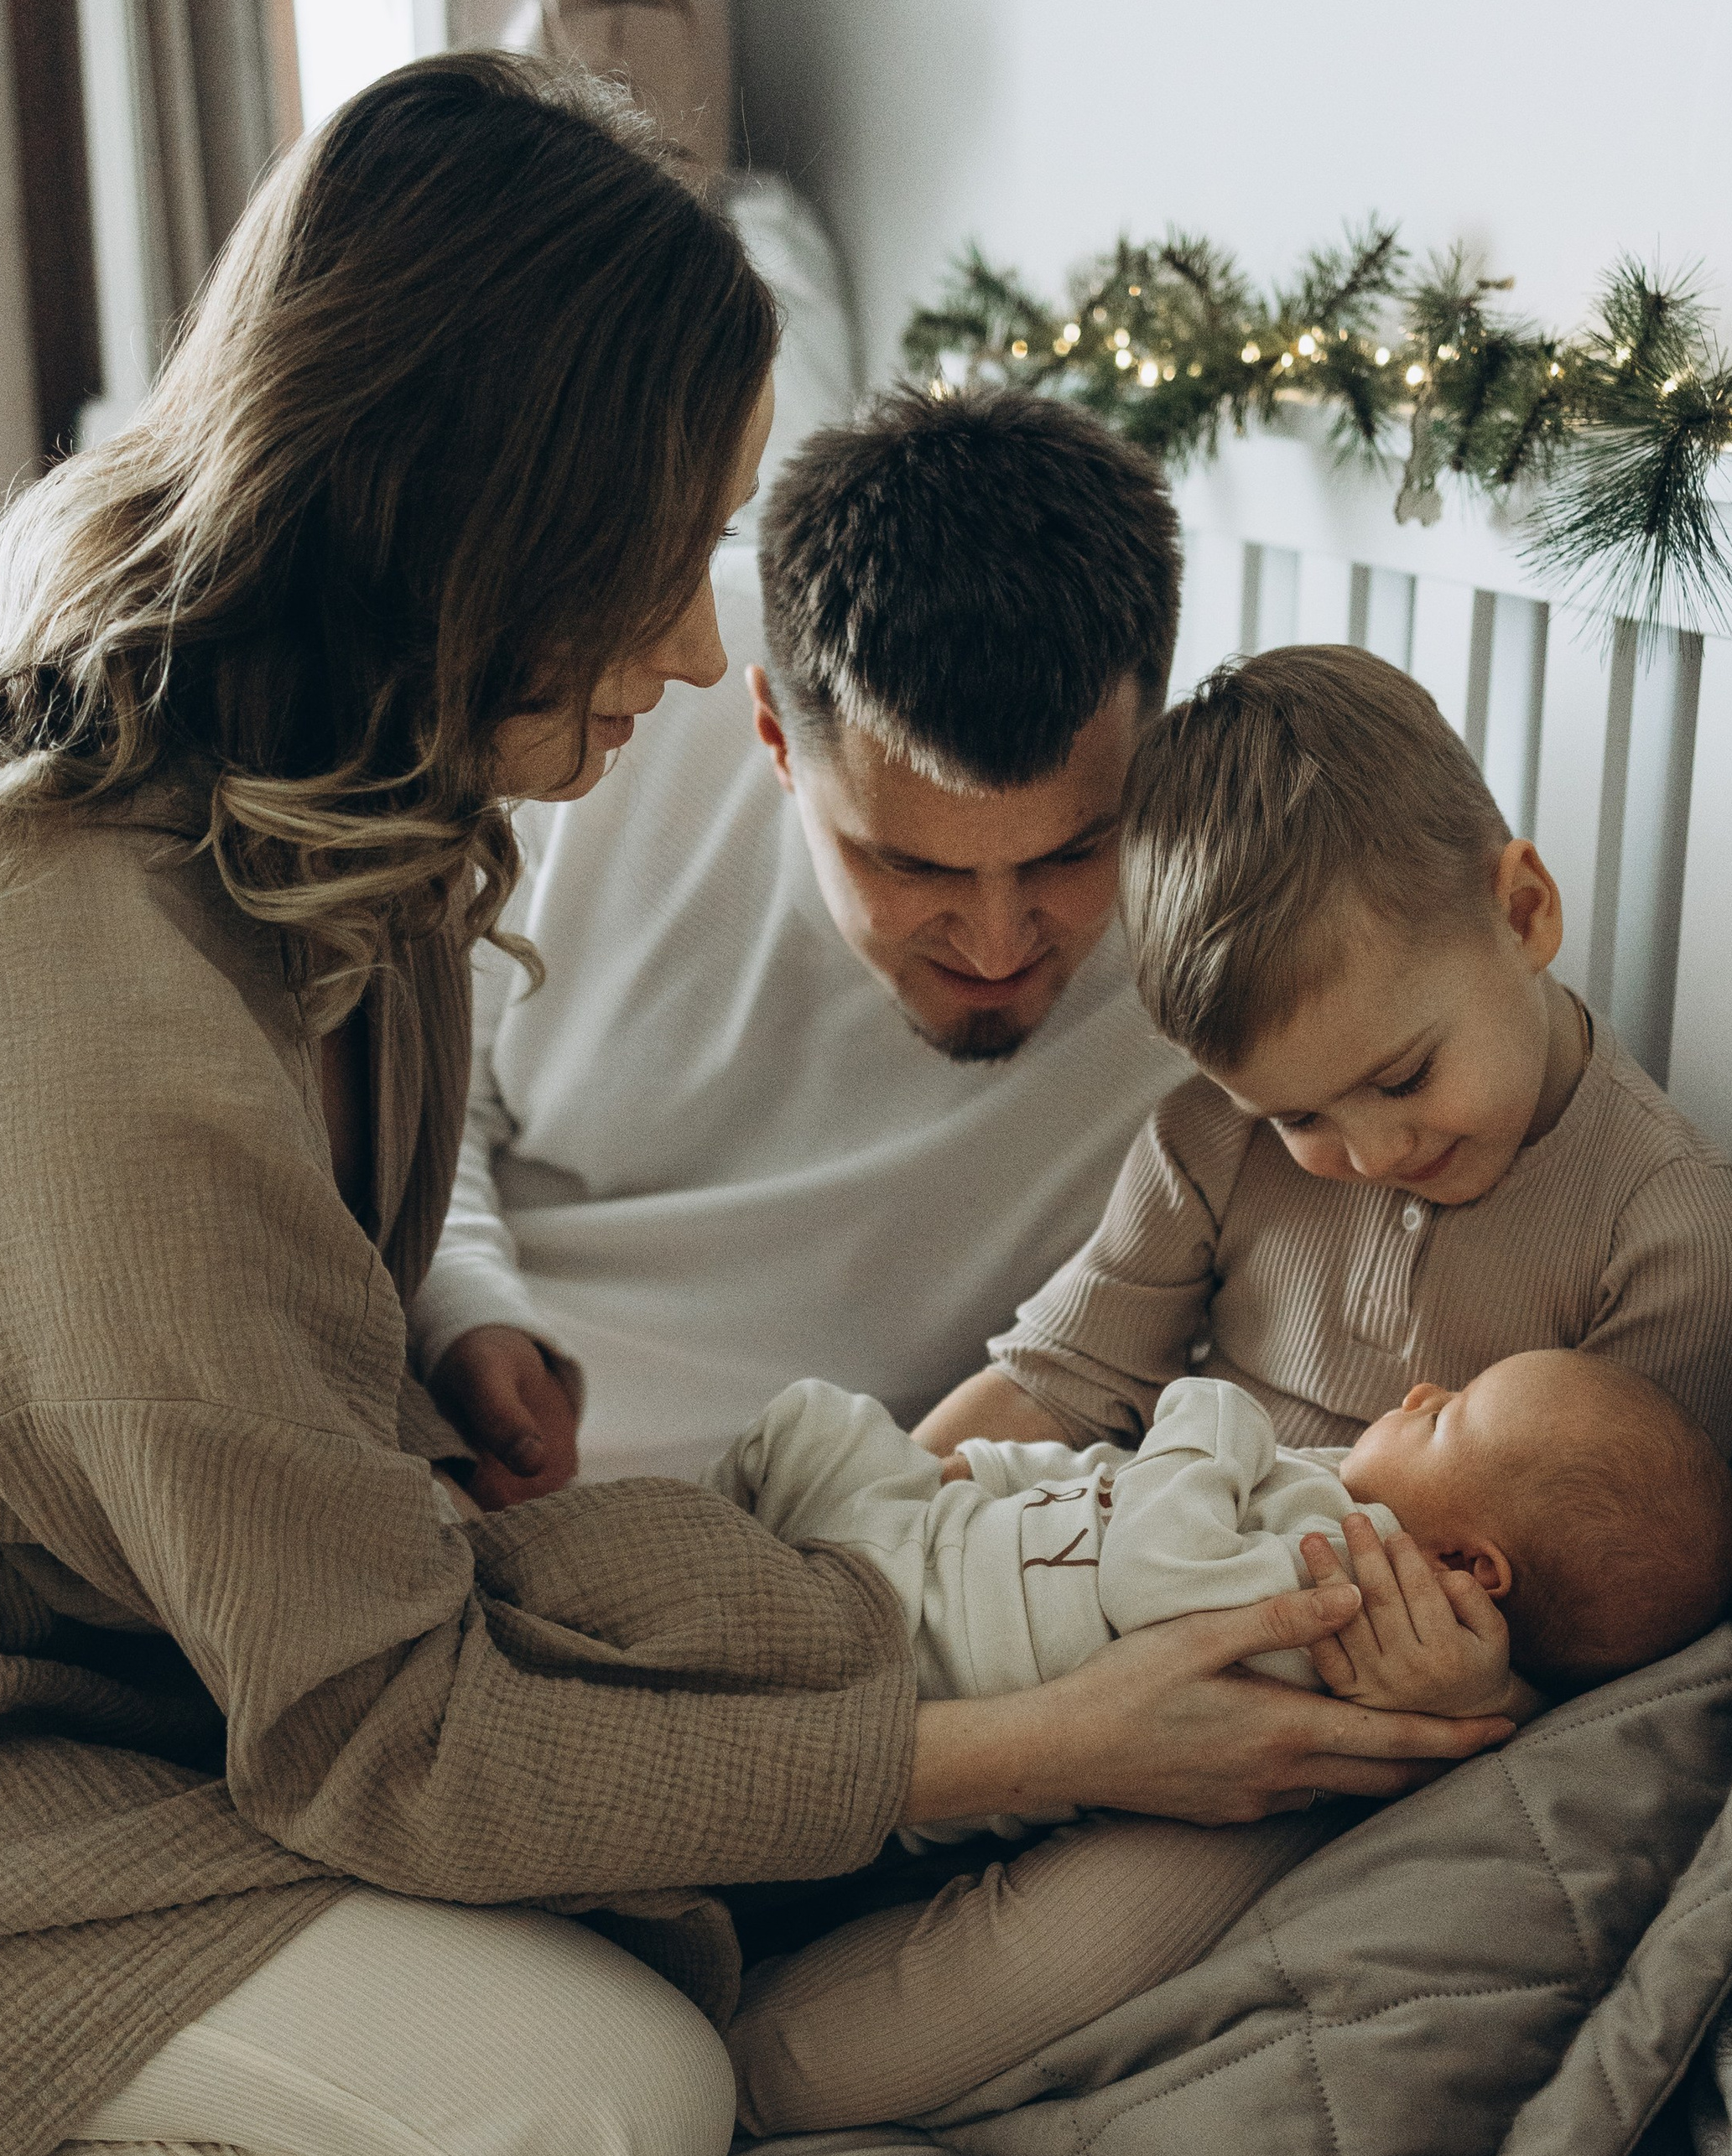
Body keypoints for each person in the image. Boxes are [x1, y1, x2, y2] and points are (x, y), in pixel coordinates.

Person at [0, 58, 1503, 2156]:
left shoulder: (299, 806)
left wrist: (438, 1318)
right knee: (605, 2130)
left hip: (43, 1647)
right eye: (667, 566)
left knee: (698, 1726)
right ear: (472, 539)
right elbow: (397, 1742)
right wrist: (1067, 1744)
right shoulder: (74, 1007)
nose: (693, 652)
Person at [416, 387, 1193, 1503]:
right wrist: (464, 1316)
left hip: (803, 1536)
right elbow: (422, 1103)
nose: (993, 939)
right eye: (911, 867)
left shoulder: (1227, 932)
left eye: (1069, 858)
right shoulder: (597, 721)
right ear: (775, 735)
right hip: (444, 1402)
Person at [720, 1352, 1732, 2136]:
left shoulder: (1327, 1592)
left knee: (803, 1424)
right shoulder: (1331, 1504)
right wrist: (985, 1467)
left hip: (892, 1618)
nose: (1424, 1387)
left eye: (1452, 1415)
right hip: (933, 1552)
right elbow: (1100, 1485)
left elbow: (1149, 1572)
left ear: (1468, 1565)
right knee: (814, 1433)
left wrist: (1213, 1409)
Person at [921, 646, 1732, 1467]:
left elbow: (1609, 1569)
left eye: (1403, 1077)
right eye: (1297, 1117)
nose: (1374, 1153)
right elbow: (1059, 1381)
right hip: (1166, 1545)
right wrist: (875, 1514)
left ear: (1522, 913)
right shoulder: (1212, 1137)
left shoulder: (1665, 1234)